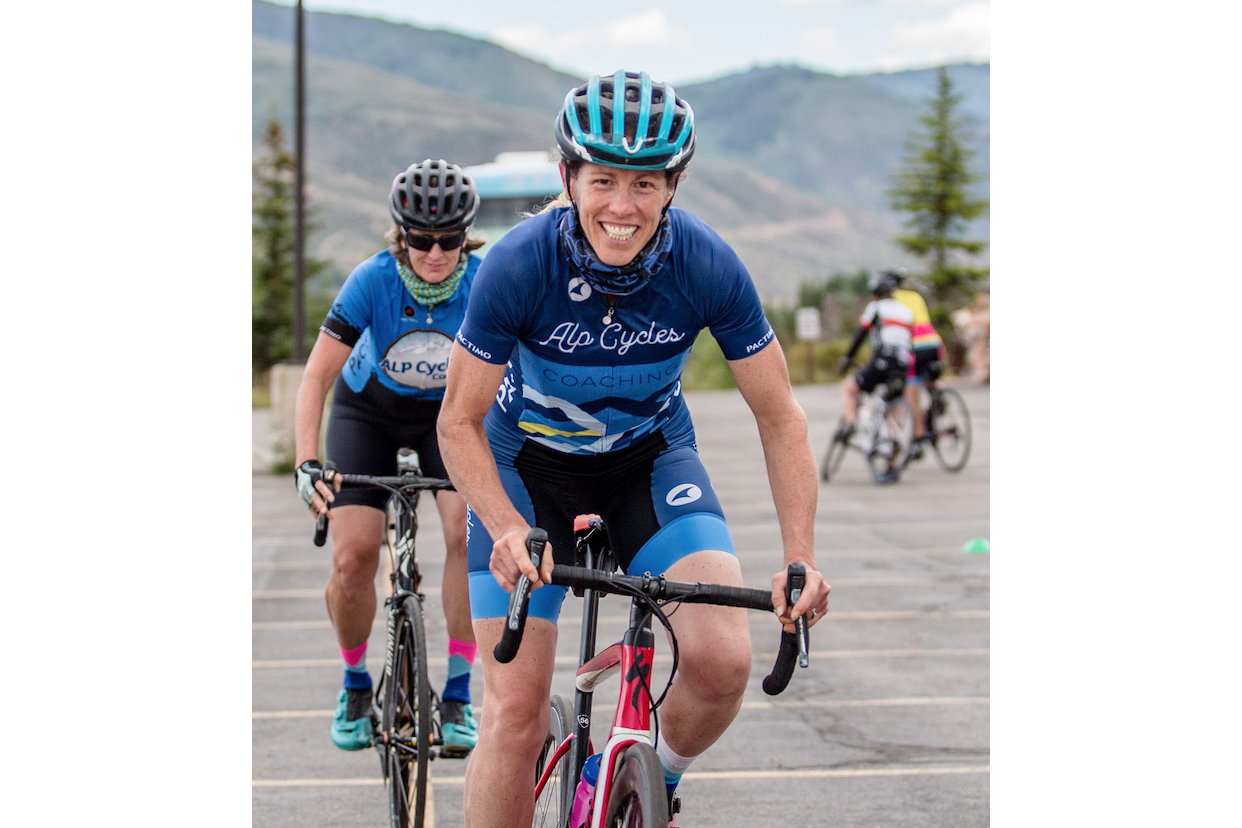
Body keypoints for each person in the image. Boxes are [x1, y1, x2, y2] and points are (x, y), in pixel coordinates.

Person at [436, 70, 831, 828]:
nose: (623, 206)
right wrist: (504, 524)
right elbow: (458, 420)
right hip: (526, 471)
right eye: (604, 180)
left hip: (646, 462)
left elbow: (780, 416)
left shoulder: (705, 263)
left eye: (646, 184)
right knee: (515, 712)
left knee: (722, 664)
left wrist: (800, 556)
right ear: (568, 178)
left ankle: (654, 786)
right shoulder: (520, 264)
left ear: (673, 187)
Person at [293, 159, 483, 755]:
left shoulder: (484, 284)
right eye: (420, 240)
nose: (434, 252)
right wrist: (305, 463)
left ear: (464, 237)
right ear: (400, 238)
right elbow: (315, 379)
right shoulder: (372, 281)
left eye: (448, 241)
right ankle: (354, 683)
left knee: (465, 536)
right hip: (366, 414)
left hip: (445, 420)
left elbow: (518, 375)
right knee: (352, 558)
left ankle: (456, 693)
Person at [834, 270, 915, 442]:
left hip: (883, 360)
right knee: (893, 402)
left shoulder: (875, 308)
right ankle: (892, 451)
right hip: (902, 363)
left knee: (849, 388)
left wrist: (847, 359)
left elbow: (860, 336)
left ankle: (851, 424)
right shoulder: (907, 312)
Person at [885, 267, 948, 459]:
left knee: (911, 391)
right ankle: (938, 394)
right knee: (930, 379)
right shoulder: (915, 296)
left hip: (913, 345)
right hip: (933, 342)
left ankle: (918, 436)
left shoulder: (887, 300)